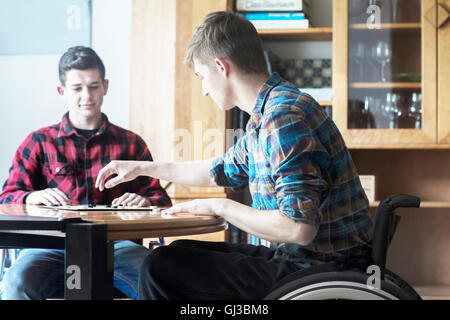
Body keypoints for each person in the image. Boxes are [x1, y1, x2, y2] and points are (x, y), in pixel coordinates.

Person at [96, 12, 374, 300]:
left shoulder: (282, 117)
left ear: (221, 67)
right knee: (176, 253)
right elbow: (218, 171)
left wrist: (220, 206)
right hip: (304, 261)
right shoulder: (266, 115)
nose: (204, 90)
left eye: (202, 77)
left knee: (159, 266)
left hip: (321, 270)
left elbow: (298, 228)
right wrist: (141, 168)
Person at [0, 46, 171, 300]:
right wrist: (29, 197)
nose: (86, 96)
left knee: (161, 284)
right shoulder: (38, 142)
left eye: (93, 86)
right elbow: (6, 198)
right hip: (50, 246)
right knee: (16, 284)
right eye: (77, 88)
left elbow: (161, 200)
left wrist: (145, 201)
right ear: (62, 91)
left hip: (117, 247)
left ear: (105, 86)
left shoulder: (131, 143)